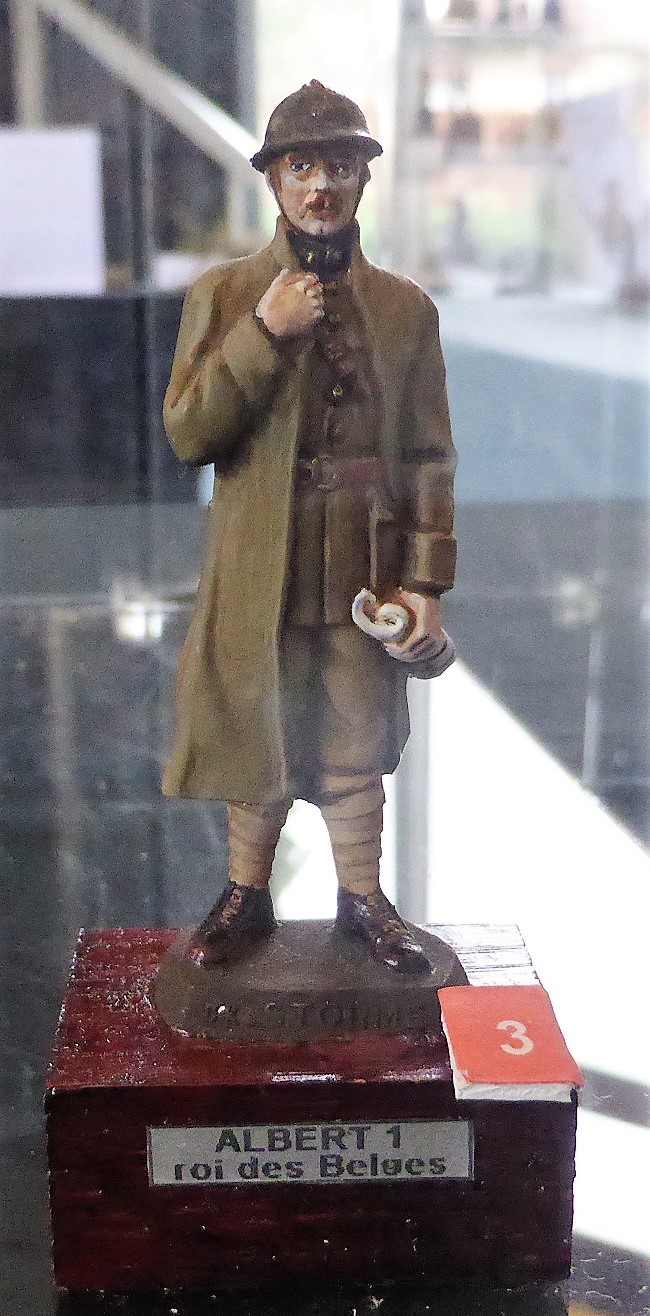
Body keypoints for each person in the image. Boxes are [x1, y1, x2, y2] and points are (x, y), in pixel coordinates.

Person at [163, 81, 457, 975]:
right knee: (261, 727)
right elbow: (189, 433)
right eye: (301, 166)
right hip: (262, 564)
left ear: (364, 178)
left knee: (354, 735)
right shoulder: (225, 296)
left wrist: (425, 584)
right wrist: (263, 332)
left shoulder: (405, 310)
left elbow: (429, 459)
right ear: (274, 181)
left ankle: (363, 899)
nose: (320, 185)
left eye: (339, 165)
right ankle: (245, 892)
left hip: (364, 567)